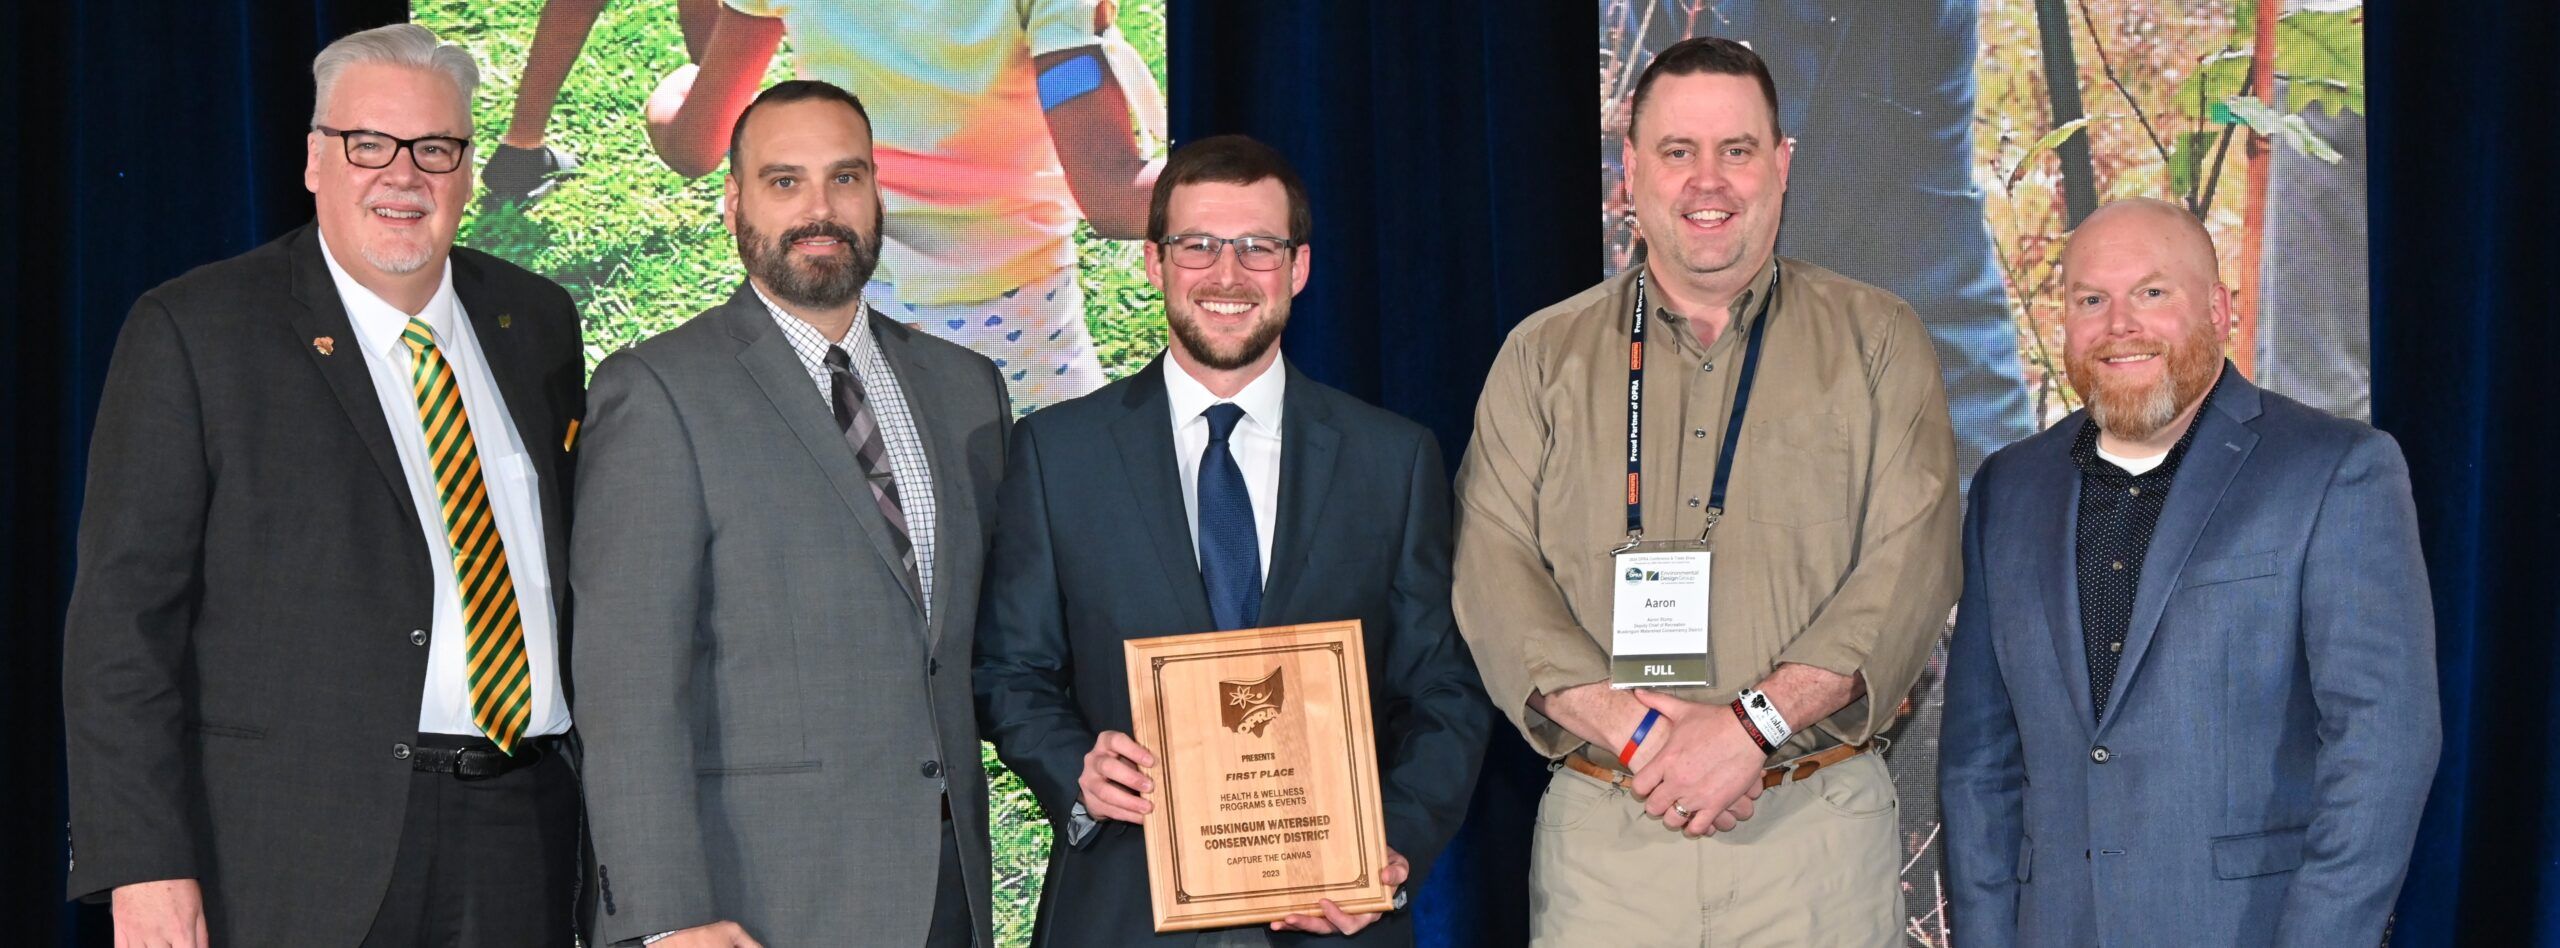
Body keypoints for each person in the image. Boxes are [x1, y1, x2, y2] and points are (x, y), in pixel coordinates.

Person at [61, 23, 586, 946]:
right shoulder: (198, 330)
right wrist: (141, 861)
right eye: (368, 145)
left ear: (467, 170)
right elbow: (122, 622)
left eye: (435, 148)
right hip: (292, 852)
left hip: (522, 836)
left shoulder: (535, 322)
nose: (403, 175)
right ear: (314, 160)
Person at [1454, 36, 1962, 945]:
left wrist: (1749, 728)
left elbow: (1910, 563)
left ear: (1782, 164)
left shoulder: (1880, 341)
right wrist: (1641, 735)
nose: (1708, 182)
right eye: (1678, 152)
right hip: (1609, 841)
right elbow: (1492, 568)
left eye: (1737, 150)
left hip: (1813, 841)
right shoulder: (1541, 356)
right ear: (1630, 168)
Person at [974, 134, 1492, 947]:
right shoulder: (1057, 455)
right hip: (1123, 913)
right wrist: (1075, 766)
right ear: (1155, 263)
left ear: (1299, 267)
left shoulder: (1391, 460)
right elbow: (1010, 670)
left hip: (1329, 917)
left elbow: (1444, 690)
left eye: (1258, 247)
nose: (1227, 275)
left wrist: (1389, 847)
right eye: (1198, 246)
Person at [571, 79, 1012, 948]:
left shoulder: (966, 391)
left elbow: (992, 646)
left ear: (878, 191)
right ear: (734, 201)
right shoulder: (658, 390)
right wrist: (667, 915)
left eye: (845, 178)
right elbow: (627, 683)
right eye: (784, 182)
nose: (820, 209)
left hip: (943, 896)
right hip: (757, 905)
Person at [1938, 198, 2438, 945]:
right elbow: (1978, 760)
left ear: (2220, 308)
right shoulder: (2009, 488)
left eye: (2152, 292)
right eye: (2091, 300)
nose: (2120, 325)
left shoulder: (2336, 470)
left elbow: (2383, 746)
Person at [646, 0, 1168, 410]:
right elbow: (1113, 195)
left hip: (851, 317)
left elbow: (695, 143)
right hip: (1023, 326)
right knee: (1062, 506)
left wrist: (672, 92)